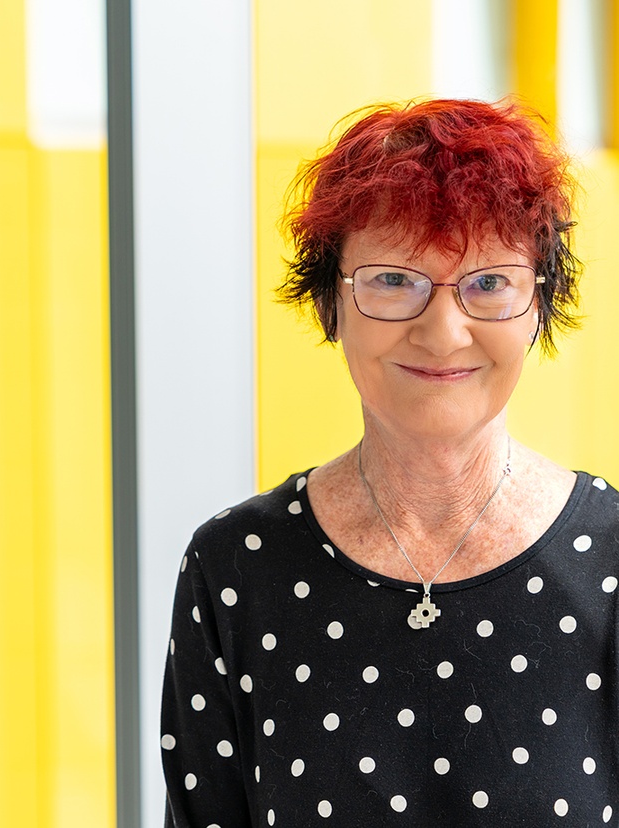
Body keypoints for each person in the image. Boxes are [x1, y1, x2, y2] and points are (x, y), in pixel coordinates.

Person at [160, 99, 618, 826]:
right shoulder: (235, 569)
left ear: (541, 303)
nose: (442, 333)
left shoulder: (611, 562)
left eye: (490, 282)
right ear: (330, 301)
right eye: (394, 281)